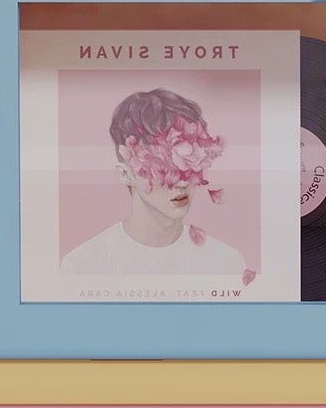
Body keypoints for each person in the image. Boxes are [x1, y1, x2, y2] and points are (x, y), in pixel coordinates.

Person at [60, 86, 251, 280]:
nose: (182, 181)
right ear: (125, 174)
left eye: (190, 160)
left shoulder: (227, 264)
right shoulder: (83, 266)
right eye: (162, 167)